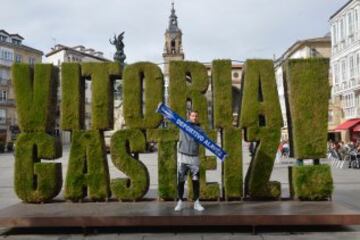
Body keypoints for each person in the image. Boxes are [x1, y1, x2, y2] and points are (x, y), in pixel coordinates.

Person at [174, 110, 205, 212]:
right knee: (181, 181)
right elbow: (172, 116)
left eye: (196, 116)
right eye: (192, 116)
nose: (194, 117)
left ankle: (196, 202)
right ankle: (180, 202)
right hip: (183, 157)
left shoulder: (200, 129)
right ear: (189, 116)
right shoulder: (183, 125)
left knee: (195, 181)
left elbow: (206, 141)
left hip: (194, 158)